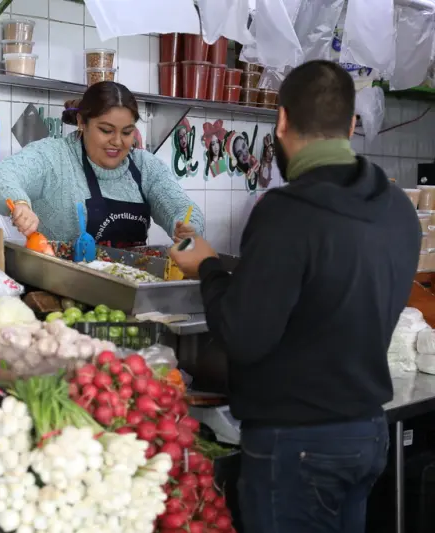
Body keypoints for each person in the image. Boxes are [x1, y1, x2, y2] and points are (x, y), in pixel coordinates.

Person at [168, 60, 420, 533]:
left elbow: (243, 335)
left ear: (280, 121)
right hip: (365, 432)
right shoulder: (397, 208)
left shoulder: (286, 212)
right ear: (351, 125)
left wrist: (206, 266)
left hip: (297, 444)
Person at [0, 81, 205, 248]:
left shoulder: (144, 166)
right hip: (60, 293)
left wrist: (188, 228)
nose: (117, 142)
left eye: (127, 132)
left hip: (128, 287)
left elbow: (182, 208)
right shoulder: (53, 156)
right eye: (106, 130)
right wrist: (20, 204)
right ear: (81, 122)